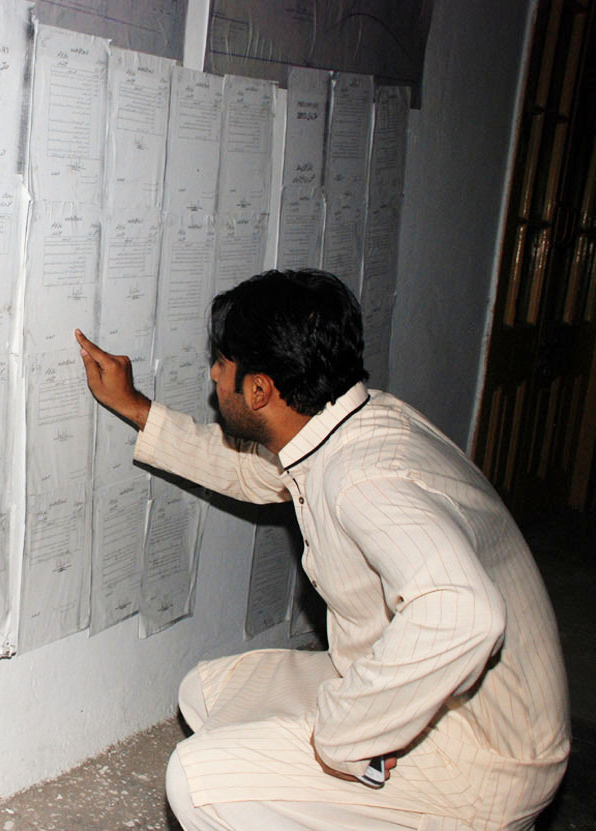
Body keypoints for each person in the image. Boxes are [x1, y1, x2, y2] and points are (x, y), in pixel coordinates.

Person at [75, 269, 568, 830]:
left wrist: (345, 738)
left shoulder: (361, 478)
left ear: (260, 389)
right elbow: (250, 473)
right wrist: (135, 406)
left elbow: (464, 612)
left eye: (223, 362)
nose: (213, 373)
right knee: (207, 694)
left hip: (485, 760)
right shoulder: (345, 422)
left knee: (197, 779)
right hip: (449, 698)